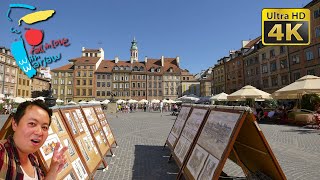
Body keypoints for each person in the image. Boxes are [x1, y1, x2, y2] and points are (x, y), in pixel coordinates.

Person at [0, 100, 68, 179]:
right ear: (15, 124)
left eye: (44, 127)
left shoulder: (33, 159)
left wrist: (53, 170)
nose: (39, 132)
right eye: (32, 124)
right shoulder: (2, 154)